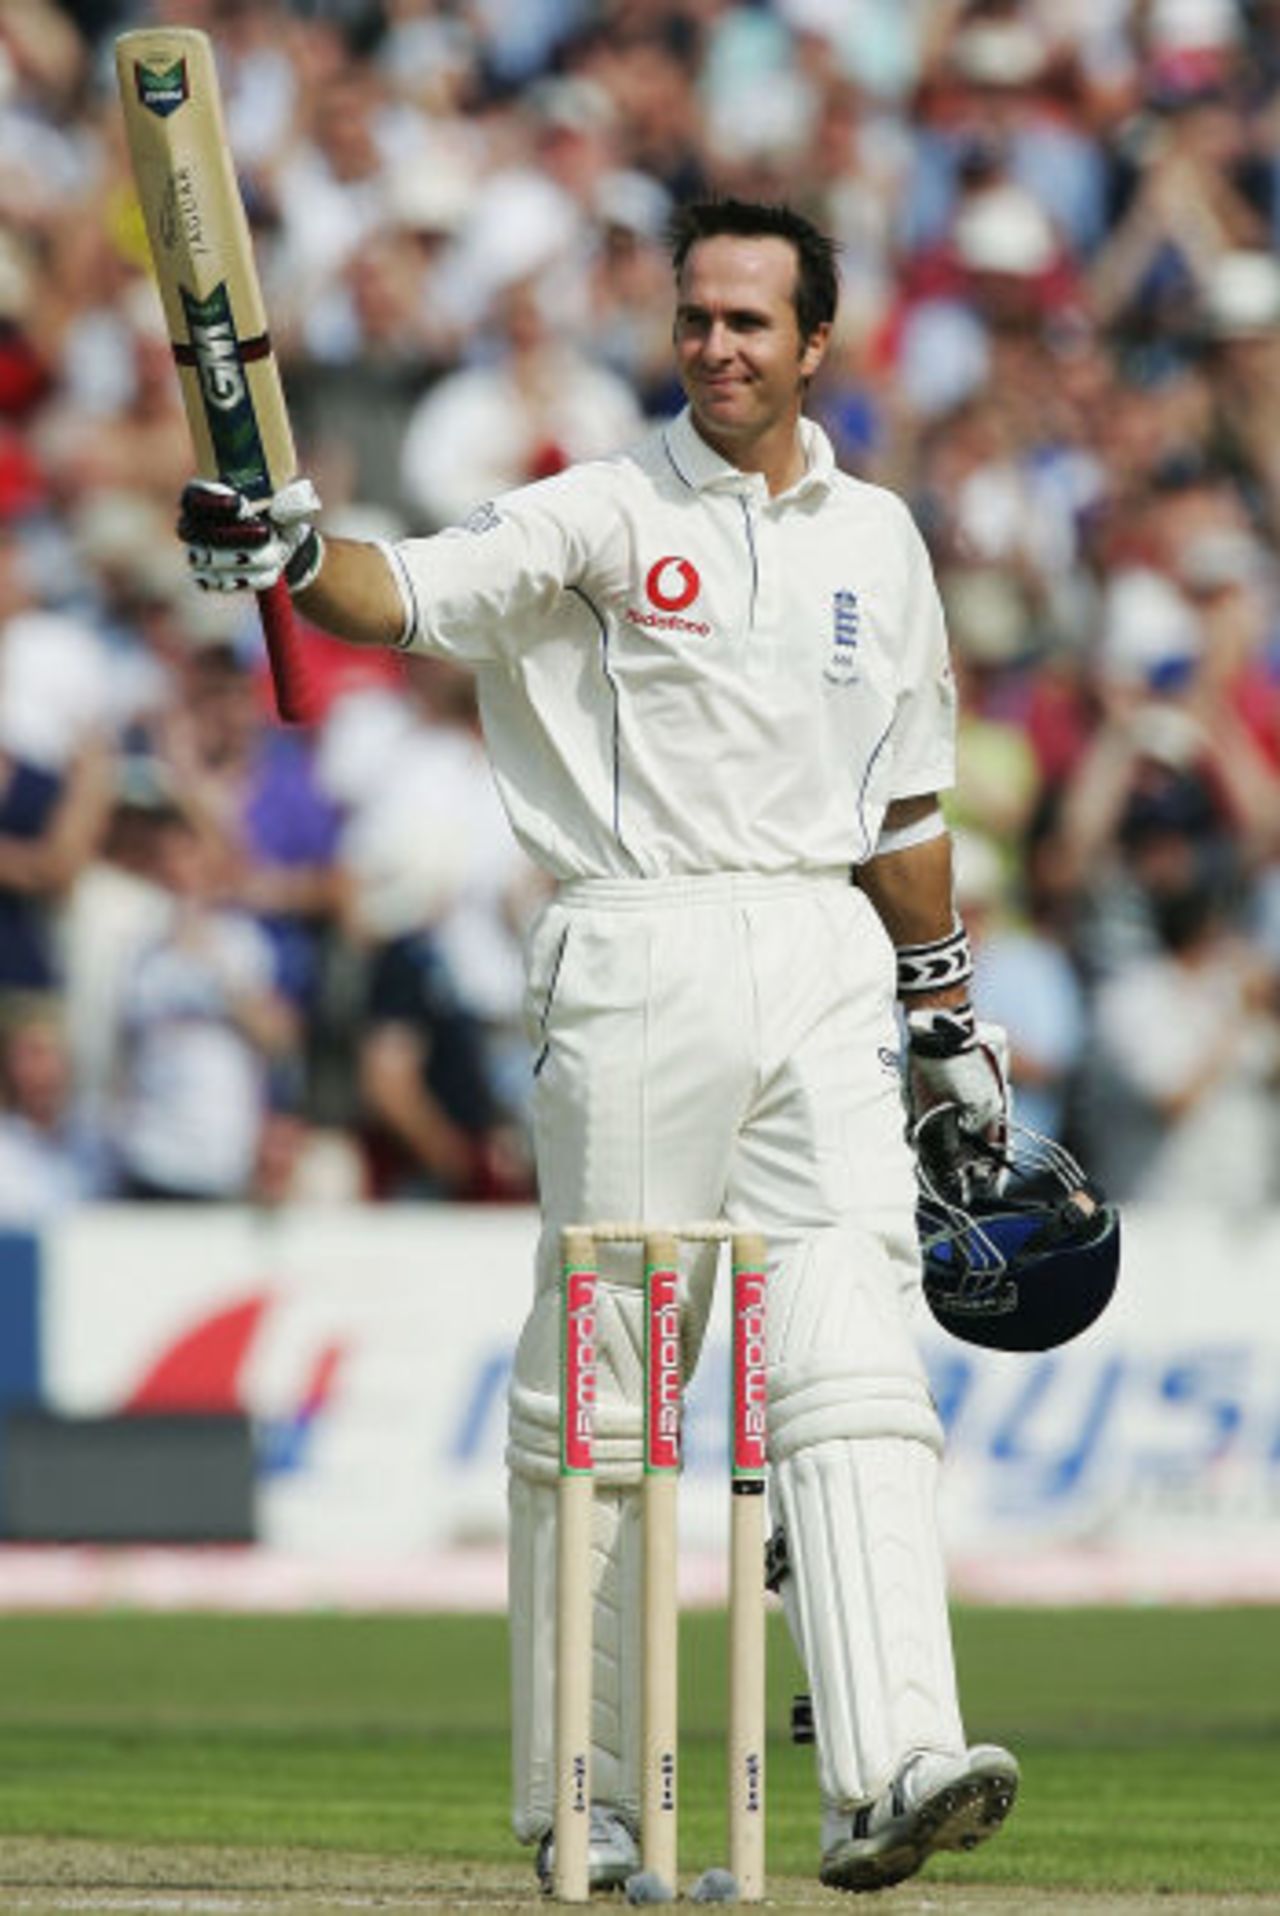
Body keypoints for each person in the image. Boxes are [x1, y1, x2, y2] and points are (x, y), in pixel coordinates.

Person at [177, 197, 1018, 1895]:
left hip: (827, 954)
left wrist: (947, 1021)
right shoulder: (602, 509)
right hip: (635, 942)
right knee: (613, 1377)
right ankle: (595, 1798)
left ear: (816, 344)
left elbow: (907, 806)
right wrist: (284, 553)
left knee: (855, 1350)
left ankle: (896, 1759)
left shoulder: (881, 540)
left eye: (750, 322)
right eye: (697, 317)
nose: (717, 345)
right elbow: (401, 591)